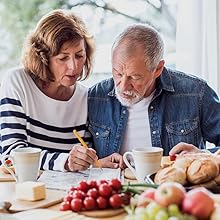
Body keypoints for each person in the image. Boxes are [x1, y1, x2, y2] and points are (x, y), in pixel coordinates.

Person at [88, 24, 220, 164]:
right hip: (113, 185)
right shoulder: (95, 97)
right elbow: (80, 159)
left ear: (158, 69)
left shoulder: (195, 93)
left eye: (135, 77)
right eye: (118, 73)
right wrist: (94, 164)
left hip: (174, 185)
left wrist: (203, 155)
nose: (123, 86)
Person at [0, 9, 98, 172]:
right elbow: (11, 154)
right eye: (62, 58)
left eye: (79, 56)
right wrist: (64, 162)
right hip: (23, 191)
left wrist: (95, 161)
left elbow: (82, 161)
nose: (73, 67)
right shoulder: (18, 81)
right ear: (42, 57)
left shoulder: (86, 97)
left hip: (67, 193)